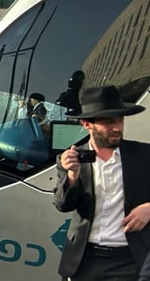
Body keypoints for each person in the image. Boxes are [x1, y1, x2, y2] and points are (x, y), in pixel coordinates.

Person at [54, 85, 150, 280]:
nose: (117, 127)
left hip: (129, 261)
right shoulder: (70, 159)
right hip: (83, 261)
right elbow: (63, 205)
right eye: (108, 122)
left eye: (120, 120)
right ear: (87, 124)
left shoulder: (143, 155)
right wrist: (72, 176)